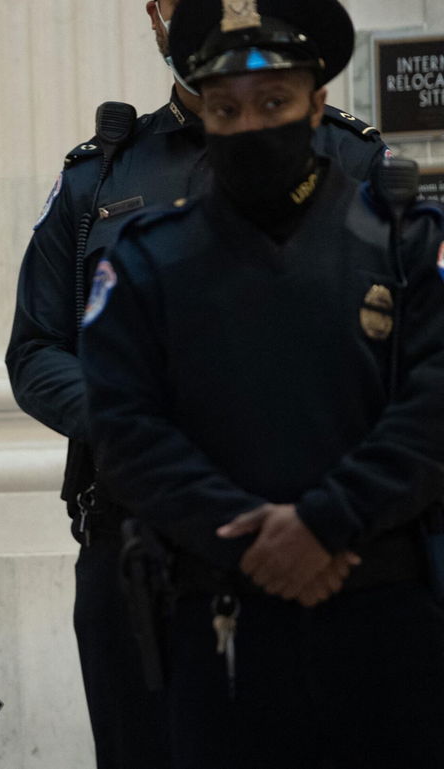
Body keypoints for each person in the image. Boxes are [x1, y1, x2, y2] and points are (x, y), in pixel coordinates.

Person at [3, 1, 389, 765]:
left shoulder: (352, 159)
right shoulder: (104, 174)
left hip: (321, 537)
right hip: (141, 542)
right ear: (155, 13)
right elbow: (38, 348)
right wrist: (140, 421)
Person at [80, 0, 444, 766]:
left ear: (317, 105)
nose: (249, 126)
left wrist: (323, 524)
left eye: (273, 102)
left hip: (384, 619)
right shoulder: (150, 262)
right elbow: (127, 430)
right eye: (225, 108)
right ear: (203, 115)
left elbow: (433, 404)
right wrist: (252, 538)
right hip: (220, 624)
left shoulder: (403, 245)